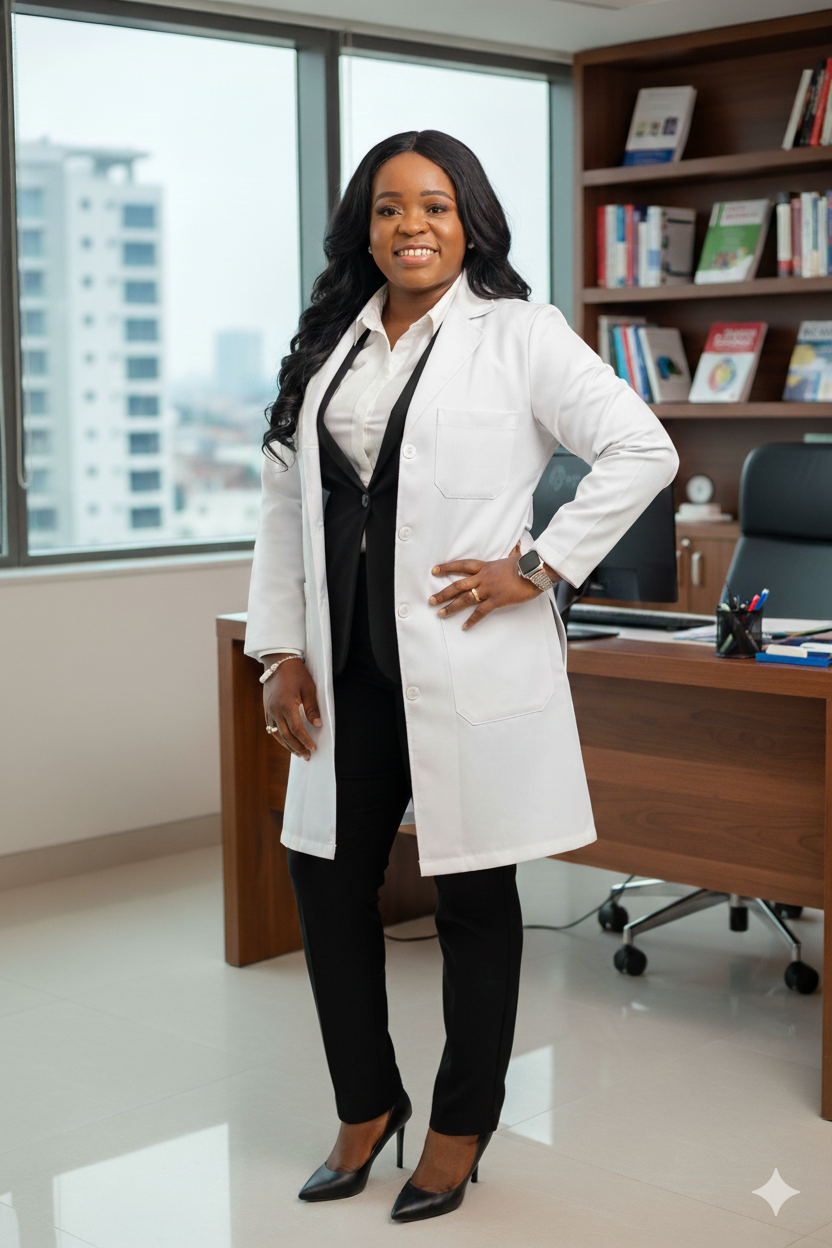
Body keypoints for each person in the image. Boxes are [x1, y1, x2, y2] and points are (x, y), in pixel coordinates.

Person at [245, 129, 678, 1223]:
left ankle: (458, 1125)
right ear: (364, 228)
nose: (411, 227)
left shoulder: (519, 335)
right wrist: (279, 649)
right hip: (342, 675)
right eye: (388, 209)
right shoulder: (328, 347)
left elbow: (641, 448)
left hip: (462, 665)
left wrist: (538, 566)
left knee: (475, 901)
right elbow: (283, 512)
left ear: (469, 219)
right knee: (326, 890)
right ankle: (365, 1106)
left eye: (433, 206)